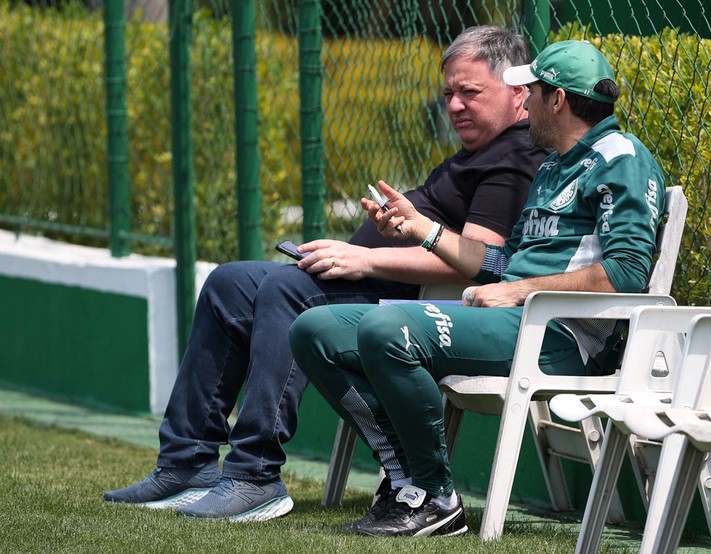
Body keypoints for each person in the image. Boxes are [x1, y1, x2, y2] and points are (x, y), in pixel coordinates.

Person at [102, 25, 547, 522]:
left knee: (287, 289)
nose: (455, 106)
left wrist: (365, 258)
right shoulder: (480, 149)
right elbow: (438, 230)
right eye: (448, 94)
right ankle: (187, 462)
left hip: (412, 305)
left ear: (518, 92)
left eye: (470, 93)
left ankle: (255, 474)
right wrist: (394, 225)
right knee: (228, 283)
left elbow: (478, 258)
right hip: (372, 279)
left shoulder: (517, 154)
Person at [289, 39, 666, 537]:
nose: (524, 103)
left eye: (531, 92)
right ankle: (407, 480)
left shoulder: (622, 158)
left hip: (559, 336)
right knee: (315, 330)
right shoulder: (553, 164)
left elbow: (627, 274)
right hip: (505, 321)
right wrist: (421, 228)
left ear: (556, 100)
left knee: (388, 326)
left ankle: (436, 497)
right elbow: (504, 262)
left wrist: (519, 291)